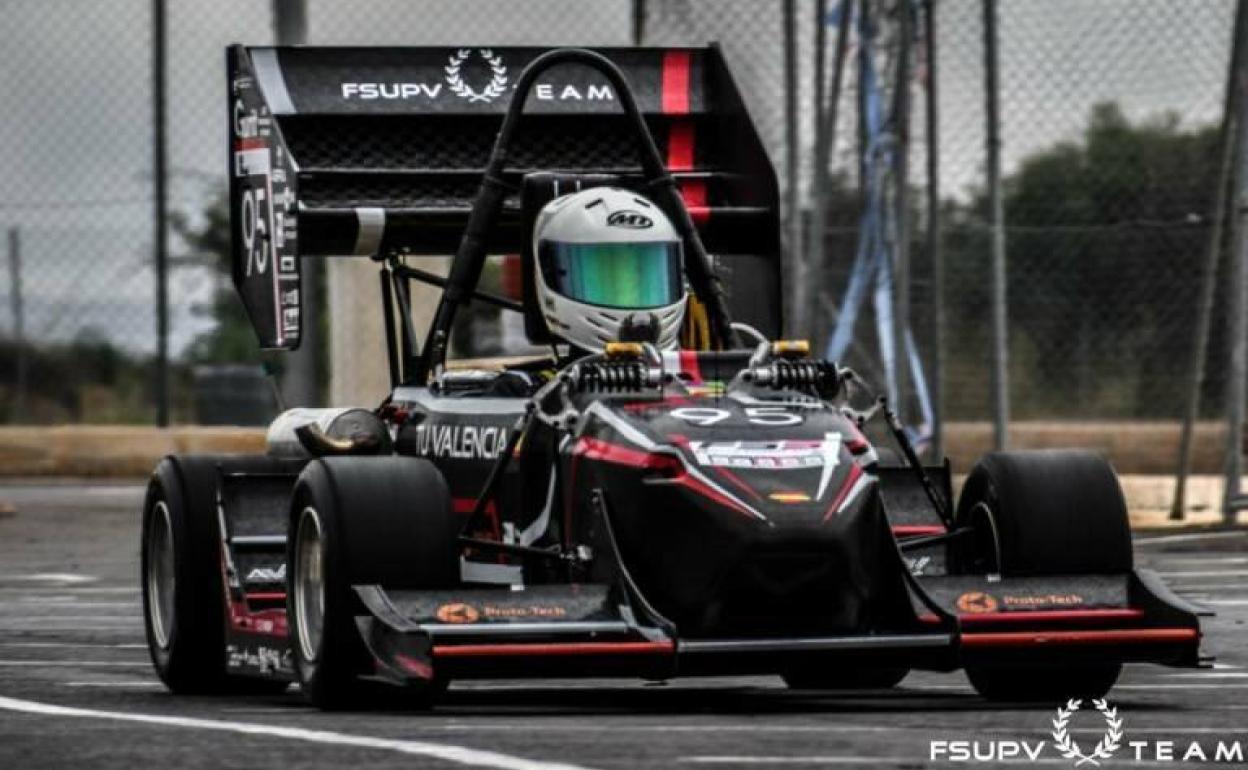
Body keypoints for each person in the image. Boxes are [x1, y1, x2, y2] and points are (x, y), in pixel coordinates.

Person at [531, 187, 687, 352]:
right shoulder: (530, 379)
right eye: (601, 279)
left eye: (647, 279)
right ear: (550, 271)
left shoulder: (694, 374)